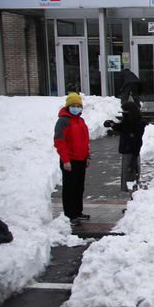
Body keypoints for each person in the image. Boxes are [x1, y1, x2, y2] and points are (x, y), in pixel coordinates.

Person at [54, 93, 91, 226]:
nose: (76, 108)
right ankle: (70, 214)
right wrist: (65, 160)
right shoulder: (63, 121)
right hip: (70, 161)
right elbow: (59, 141)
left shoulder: (81, 121)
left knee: (79, 187)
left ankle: (78, 211)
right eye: (73, 106)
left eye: (78, 106)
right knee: (70, 188)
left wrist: (87, 156)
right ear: (68, 106)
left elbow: (85, 141)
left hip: (81, 159)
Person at [103, 101, 147, 192]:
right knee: (128, 178)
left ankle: (134, 197)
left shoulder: (137, 124)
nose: (123, 114)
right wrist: (111, 124)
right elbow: (121, 127)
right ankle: (131, 196)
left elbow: (138, 142)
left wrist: (133, 159)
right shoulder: (127, 121)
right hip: (126, 153)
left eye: (124, 111)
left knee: (131, 178)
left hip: (132, 153)